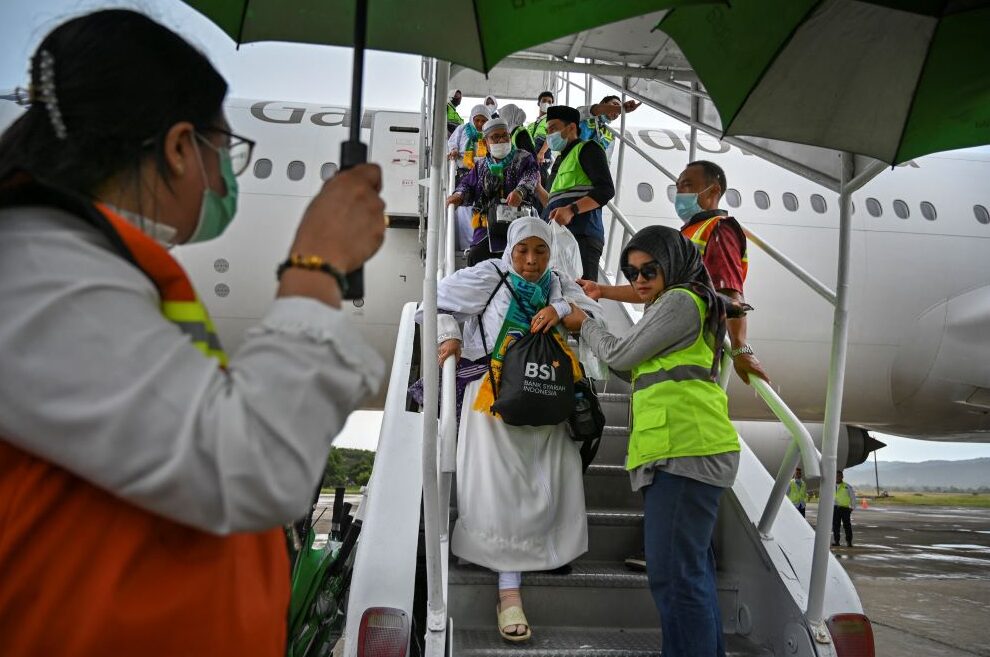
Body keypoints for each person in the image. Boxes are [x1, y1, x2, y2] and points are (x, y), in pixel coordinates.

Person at [0, 10, 386, 656]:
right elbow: (246, 461)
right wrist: (315, 268)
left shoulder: (90, 265)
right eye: (224, 150)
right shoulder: (34, 268)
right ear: (180, 147)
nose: (225, 179)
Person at [418, 217, 601, 642]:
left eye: (540, 251)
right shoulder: (490, 275)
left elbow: (594, 315)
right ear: (510, 251)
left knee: (555, 481)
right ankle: (508, 592)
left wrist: (560, 309)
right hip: (495, 397)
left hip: (548, 394)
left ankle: (547, 553)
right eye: (523, 251)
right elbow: (433, 303)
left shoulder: (558, 284)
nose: (532, 260)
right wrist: (451, 336)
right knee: (502, 494)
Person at [562, 225, 740, 657]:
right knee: (690, 574)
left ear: (673, 264)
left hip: (685, 450)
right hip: (688, 448)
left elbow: (620, 356)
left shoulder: (680, 300)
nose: (639, 279)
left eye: (649, 269)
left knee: (675, 577)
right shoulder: (681, 303)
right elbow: (631, 369)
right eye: (631, 271)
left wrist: (584, 325)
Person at [578, 160, 769, 385]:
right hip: (668, 328)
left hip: (689, 335)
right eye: (677, 187)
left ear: (714, 190)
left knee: (619, 358)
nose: (679, 193)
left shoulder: (719, 228)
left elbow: (730, 293)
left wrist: (739, 347)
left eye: (686, 185)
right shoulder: (684, 234)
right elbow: (651, 286)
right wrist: (601, 290)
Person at [536, 105, 615, 282]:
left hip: (581, 237)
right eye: (548, 130)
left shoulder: (587, 149)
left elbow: (606, 189)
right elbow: (553, 202)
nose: (550, 135)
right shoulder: (560, 161)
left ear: (571, 127)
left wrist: (572, 210)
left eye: (554, 128)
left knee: (582, 300)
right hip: (558, 239)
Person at [446, 118, 539, 265]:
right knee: (476, 258)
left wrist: (520, 191)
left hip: (518, 225)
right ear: (486, 142)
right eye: (495, 137)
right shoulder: (481, 165)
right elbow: (467, 185)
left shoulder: (524, 157)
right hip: (486, 229)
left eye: (505, 135)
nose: (502, 140)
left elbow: (531, 176)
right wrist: (458, 195)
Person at [448, 104, 492, 249]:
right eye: (477, 120)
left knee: (480, 209)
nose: (480, 124)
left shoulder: (490, 134)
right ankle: (464, 245)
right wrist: (454, 150)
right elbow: (453, 143)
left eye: (483, 121)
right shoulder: (462, 129)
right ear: (472, 119)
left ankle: (477, 244)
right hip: (465, 175)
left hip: (484, 175)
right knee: (463, 210)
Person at [577, 95, 641, 159]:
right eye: (615, 104)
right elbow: (596, 109)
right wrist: (621, 109)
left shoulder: (611, 135)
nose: (617, 112)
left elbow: (606, 159)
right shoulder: (582, 114)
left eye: (619, 113)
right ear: (602, 103)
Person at [527, 90, 554, 185]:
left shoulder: (551, 120)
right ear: (539, 103)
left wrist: (542, 152)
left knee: (541, 183)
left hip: (541, 157)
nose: (546, 103)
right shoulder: (531, 125)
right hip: (531, 155)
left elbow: (551, 136)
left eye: (549, 102)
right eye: (544, 100)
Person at [833, 470, 857, 547]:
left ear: (842, 477)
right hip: (835, 509)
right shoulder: (831, 486)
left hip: (845, 509)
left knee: (847, 526)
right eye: (836, 476)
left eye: (839, 476)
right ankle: (837, 541)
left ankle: (849, 542)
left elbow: (853, 497)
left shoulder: (847, 486)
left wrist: (852, 507)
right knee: (836, 526)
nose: (838, 477)